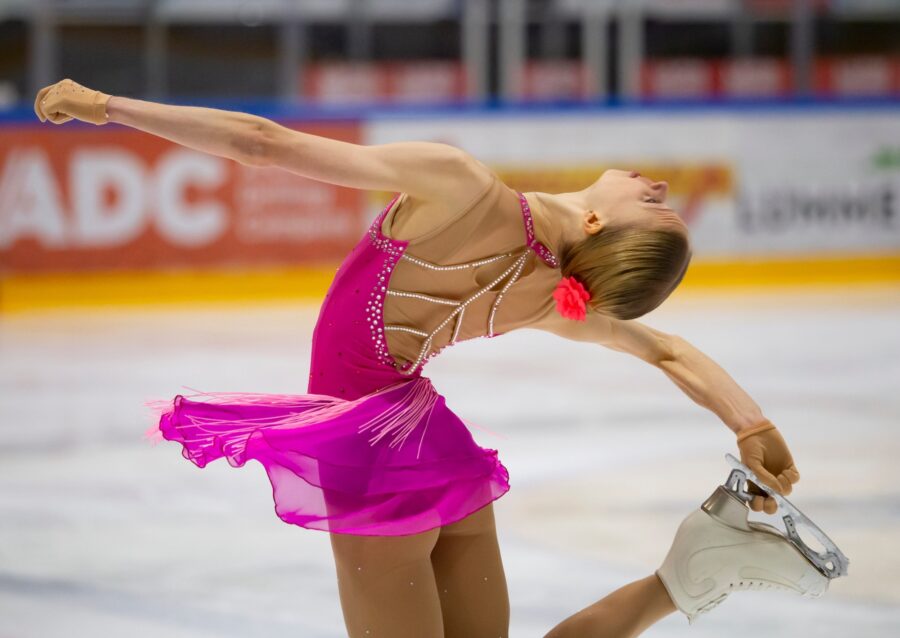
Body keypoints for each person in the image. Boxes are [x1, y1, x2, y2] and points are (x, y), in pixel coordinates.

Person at [36, 79, 819, 638]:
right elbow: (668, 350)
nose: (652, 183)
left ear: (592, 220)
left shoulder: (460, 186)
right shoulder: (553, 293)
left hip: (368, 456)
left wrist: (107, 107)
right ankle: (674, 583)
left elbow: (261, 142)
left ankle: (681, 579)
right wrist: (753, 426)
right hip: (438, 456)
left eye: (652, 202)